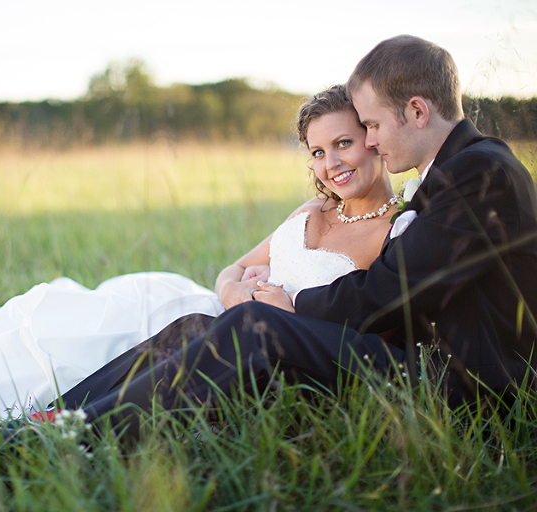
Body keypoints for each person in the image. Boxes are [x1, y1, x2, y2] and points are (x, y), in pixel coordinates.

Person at [47, 34, 537, 435]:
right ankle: (52, 418)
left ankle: (79, 433)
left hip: (463, 389)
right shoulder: (459, 170)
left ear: (417, 111)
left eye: (371, 125)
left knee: (256, 325)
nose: (371, 140)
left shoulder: (480, 171)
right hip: (421, 363)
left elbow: (392, 289)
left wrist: (293, 304)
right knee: (203, 326)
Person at [0, 84, 405, 438]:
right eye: (317, 152)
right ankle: (35, 425)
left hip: (284, 363)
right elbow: (231, 270)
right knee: (186, 326)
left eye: (343, 143)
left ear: (374, 139)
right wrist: (235, 292)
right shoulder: (311, 210)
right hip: (238, 325)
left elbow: (360, 329)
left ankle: (39, 435)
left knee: (195, 333)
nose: (331, 163)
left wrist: (280, 306)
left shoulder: (395, 233)